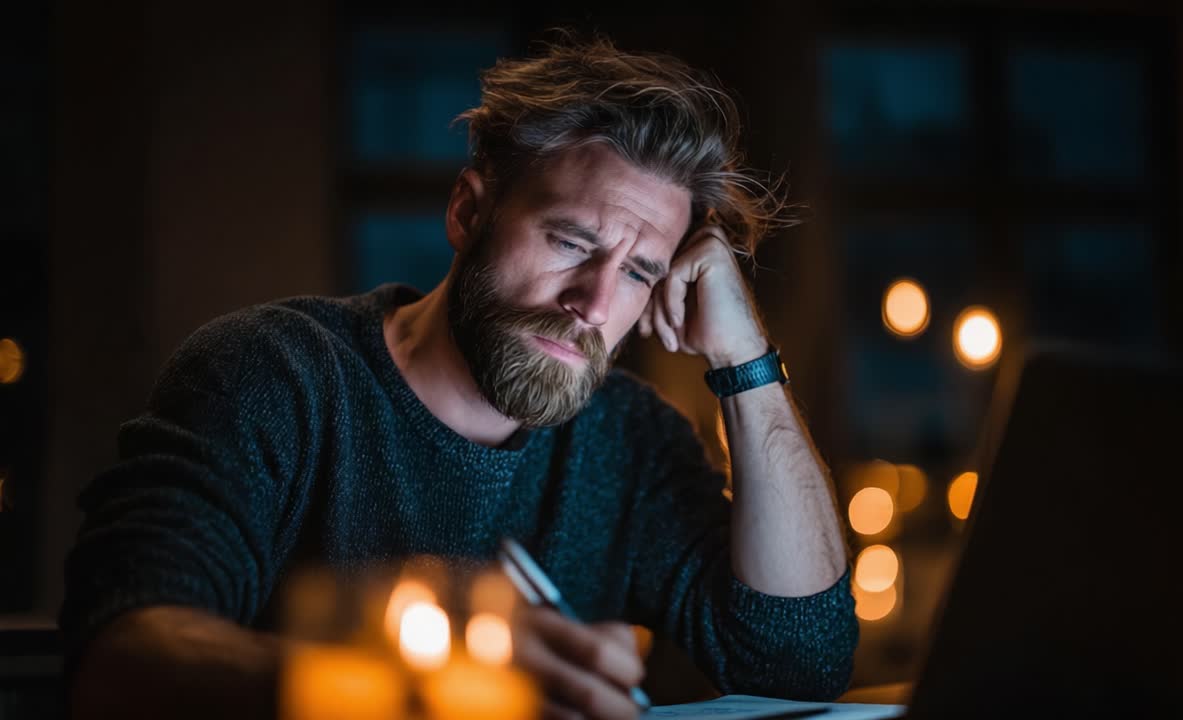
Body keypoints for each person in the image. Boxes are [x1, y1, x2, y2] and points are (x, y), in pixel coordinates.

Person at [61, 37, 857, 720]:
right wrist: (396, 692)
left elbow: (798, 664)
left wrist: (744, 359)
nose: (595, 303)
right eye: (572, 242)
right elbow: (120, 660)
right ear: (468, 214)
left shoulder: (632, 441)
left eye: (641, 273)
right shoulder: (272, 374)